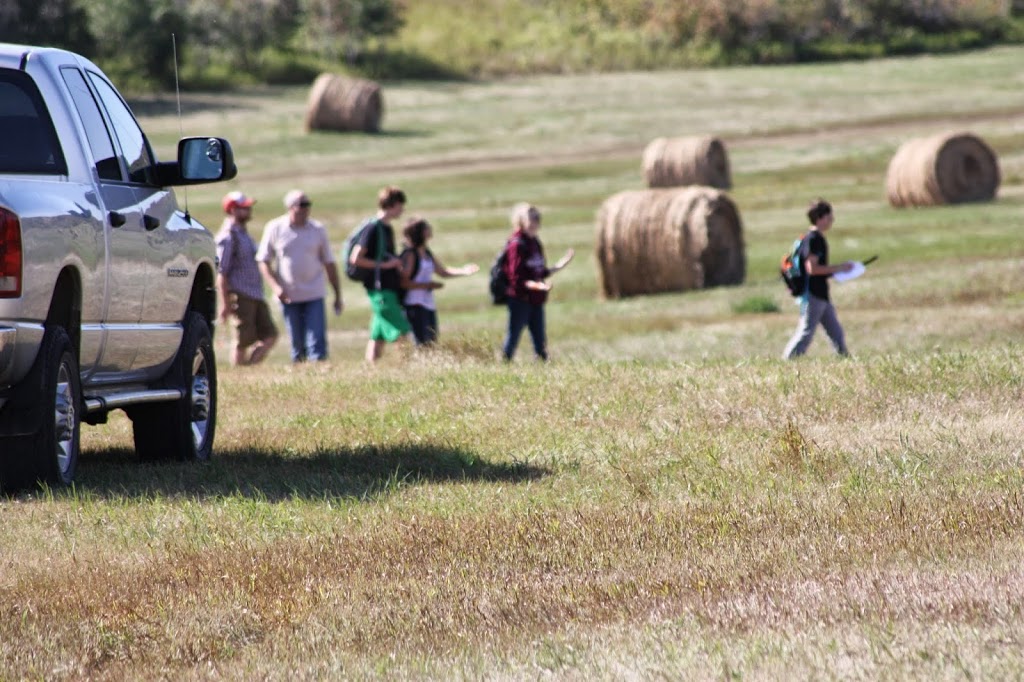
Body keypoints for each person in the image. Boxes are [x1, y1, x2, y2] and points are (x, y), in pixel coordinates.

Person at [256, 189, 343, 363]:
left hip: (314, 293)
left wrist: (337, 294)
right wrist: (276, 287)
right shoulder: (275, 228)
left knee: (317, 341)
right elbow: (263, 261)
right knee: (297, 343)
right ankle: (300, 371)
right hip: (289, 295)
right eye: (301, 205)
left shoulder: (317, 229)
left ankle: (319, 373)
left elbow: (329, 263)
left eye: (307, 204)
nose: (305, 209)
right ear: (290, 207)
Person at [501, 202, 574, 362]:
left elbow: (539, 271)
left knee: (540, 343)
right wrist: (538, 286)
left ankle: (542, 366)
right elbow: (516, 278)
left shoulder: (534, 242)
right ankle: (503, 366)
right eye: (531, 218)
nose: (535, 222)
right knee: (513, 338)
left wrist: (560, 265)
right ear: (521, 220)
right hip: (520, 300)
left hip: (536, 299)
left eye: (537, 218)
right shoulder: (517, 244)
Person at [782, 198, 854, 360]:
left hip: (820, 294)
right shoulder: (815, 239)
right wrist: (839, 268)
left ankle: (844, 359)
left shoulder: (808, 238)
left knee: (836, 332)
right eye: (829, 217)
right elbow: (812, 269)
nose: (832, 220)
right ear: (820, 218)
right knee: (806, 332)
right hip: (814, 294)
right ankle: (788, 360)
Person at [348, 186, 411, 363]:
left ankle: (370, 367)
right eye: (400, 205)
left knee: (378, 334)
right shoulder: (372, 228)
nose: (402, 210)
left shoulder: (387, 228)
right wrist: (386, 265)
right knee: (401, 329)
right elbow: (356, 258)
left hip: (387, 287)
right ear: (392, 204)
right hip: (379, 288)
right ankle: (407, 366)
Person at [215, 191, 278, 365]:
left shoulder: (243, 233)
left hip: (255, 293)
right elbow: (222, 273)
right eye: (244, 208)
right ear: (233, 210)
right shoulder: (228, 237)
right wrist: (225, 304)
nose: (249, 210)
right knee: (242, 341)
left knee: (270, 335)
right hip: (240, 294)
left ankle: (249, 368)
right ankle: (240, 372)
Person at [399, 218, 480, 346]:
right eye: (426, 227)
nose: (430, 229)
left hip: (427, 304)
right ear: (419, 233)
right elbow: (403, 282)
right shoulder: (411, 255)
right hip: (414, 304)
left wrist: (464, 271)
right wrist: (428, 285)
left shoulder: (426, 252)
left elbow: (442, 271)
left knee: (431, 342)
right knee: (422, 344)